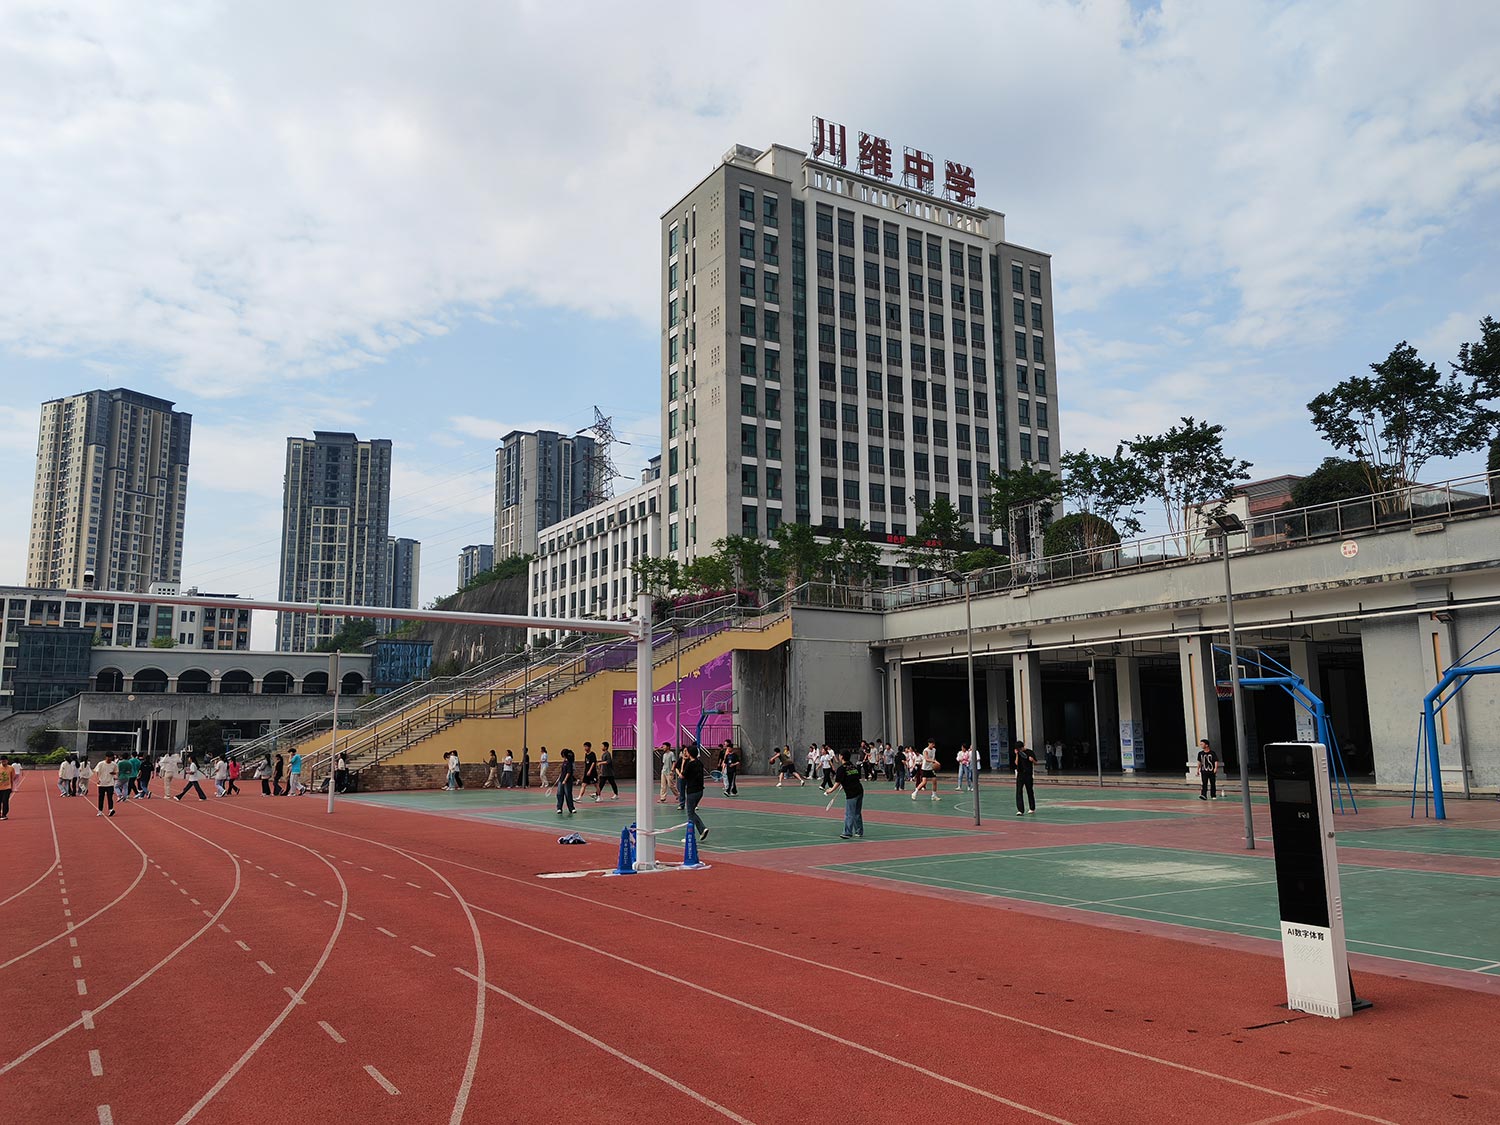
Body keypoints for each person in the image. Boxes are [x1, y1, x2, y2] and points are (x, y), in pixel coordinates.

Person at [832, 748, 865, 839]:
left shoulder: (841, 769)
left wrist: (830, 790)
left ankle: (847, 833)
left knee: (849, 813)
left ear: (841, 757)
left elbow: (837, 783)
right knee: (857, 813)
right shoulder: (853, 766)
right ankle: (859, 831)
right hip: (859, 791)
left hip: (852, 793)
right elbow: (854, 778)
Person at [678, 744, 708, 843]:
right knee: (692, 812)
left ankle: (690, 836)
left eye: (686, 751)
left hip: (692, 791)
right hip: (700, 791)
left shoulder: (690, 764)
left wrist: (682, 763)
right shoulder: (699, 763)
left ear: (690, 753)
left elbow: (682, 776)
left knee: (690, 813)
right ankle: (702, 830)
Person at [1013, 741, 1037, 816]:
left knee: (1030, 791)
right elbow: (1016, 763)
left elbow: (1036, 762)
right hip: (1020, 774)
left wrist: (1032, 760)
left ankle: (1032, 808)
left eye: (1020, 748)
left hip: (1028, 774)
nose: (1019, 750)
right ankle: (1020, 810)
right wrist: (1017, 755)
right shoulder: (1018, 753)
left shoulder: (1030, 752)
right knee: (1019, 791)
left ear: (1022, 747)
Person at [94, 753, 118, 817]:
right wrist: (97, 779)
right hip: (102, 783)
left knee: (110, 797)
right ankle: (100, 811)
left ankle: (111, 809)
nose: (109, 759)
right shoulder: (101, 764)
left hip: (110, 783)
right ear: (106, 757)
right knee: (101, 798)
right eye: (108, 757)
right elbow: (96, 771)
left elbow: (116, 772)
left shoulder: (114, 764)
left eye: (111, 757)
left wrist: (113, 773)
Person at [554, 748, 576, 815]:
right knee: (559, 794)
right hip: (561, 780)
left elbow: (568, 773)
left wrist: (565, 780)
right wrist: (559, 778)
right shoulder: (564, 762)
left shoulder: (569, 763)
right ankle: (559, 808)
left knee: (568, 795)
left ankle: (571, 808)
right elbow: (563, 772)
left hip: (567, 781)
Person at [0, 755, 14, 820]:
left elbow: (12, 778)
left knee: (5, 801)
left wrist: (12, 787)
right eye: (2, 761)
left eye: (5, 761)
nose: (3, 762)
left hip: (7, 787)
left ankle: (4, 814)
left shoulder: (11, 768)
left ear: (7, 761)